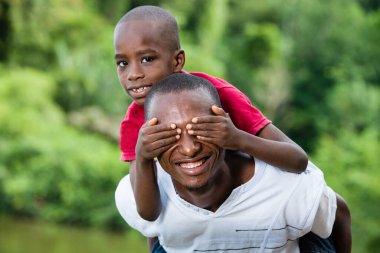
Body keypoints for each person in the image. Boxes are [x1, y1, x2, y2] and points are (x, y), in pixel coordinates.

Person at [115, 73, 351, 253]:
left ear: (223, 126)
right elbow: (157, 231)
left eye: (201, 130)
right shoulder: (139, 194)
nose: (189, 148)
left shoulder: (287, 190)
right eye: (169, 136)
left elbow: (338, 212)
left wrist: (241, 139)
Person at [114, 5, 309, 180]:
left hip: (254, 194)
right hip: (197, 208)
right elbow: (148, 212)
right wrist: (142, 157)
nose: (133, 74)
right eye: (123, 63)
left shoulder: (219, 95)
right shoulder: (134, 122)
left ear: (177, 61)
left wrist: (238, 139)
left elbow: (298, 160)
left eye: (147, 59)